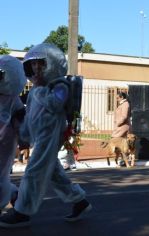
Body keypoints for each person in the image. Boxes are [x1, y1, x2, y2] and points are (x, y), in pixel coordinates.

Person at [0, 43, 91, 228]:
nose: (36, 69)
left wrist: (40, 90)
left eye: (40, 64)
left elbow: (55, 104)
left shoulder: (60, 85)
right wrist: (24, 133)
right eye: (33, 65)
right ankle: (80, 202)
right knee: (54, 173)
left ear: (51, 64)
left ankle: (22, 212)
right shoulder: (35, 90)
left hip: (49, 138)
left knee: (33, 172)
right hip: (39, 137)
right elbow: (31, 116)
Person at [0, 55, 27, 216]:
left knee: (1, 173)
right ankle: (13, 194)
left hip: (6, 141)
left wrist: (23, 139)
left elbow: (20, 119)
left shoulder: (13, 99)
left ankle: (3, 201)